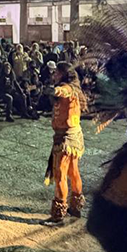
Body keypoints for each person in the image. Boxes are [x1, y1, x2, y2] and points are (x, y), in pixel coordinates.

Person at [41, 63, 88, 227]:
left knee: (60, 173)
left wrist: (53, 90)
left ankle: (58, 214)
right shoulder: (74, 88)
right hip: (73, 135)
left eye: (56, 73)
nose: (54, 75)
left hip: (66, 138)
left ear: (62, 74)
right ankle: (75, 207)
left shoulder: (67, 88)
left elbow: (63, 91)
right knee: (73, 171)